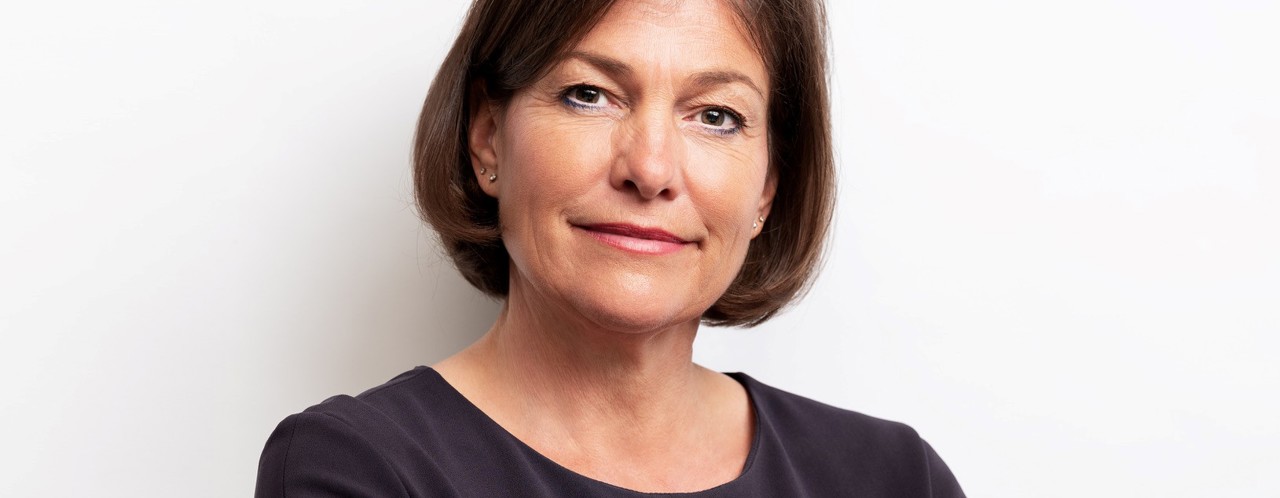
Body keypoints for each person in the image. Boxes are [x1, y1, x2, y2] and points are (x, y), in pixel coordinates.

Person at [256, 0, 966, 496]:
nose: (650, 169)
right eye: (589, 95)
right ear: (487, 137)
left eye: (715, 116)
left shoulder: (895, 479)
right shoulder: (359, 468)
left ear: (768, 186)